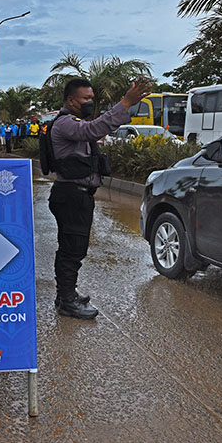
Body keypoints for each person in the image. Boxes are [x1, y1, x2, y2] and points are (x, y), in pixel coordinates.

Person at [48, 76, 151, 319]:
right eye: (86, 98)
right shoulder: (65, 123)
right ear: (71, 100)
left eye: (91, 98)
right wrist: (125, 103)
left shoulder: (74, 122)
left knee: (70, 248)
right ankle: (67, 302)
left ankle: (65, 293)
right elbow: (93, 129)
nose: (89, 102)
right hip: (71, 196)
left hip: (76, 196)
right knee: (72, 249)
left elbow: (97, 128)